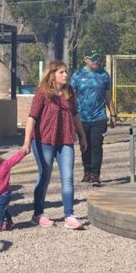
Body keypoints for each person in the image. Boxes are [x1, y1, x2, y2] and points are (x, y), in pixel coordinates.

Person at [22, 61, 87, 230]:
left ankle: (69, 215)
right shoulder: (42, 93)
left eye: (66, 72)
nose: (66, 75)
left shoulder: (69, 92)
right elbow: (32, 118)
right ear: (52, 75)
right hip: (44, 140)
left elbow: (75, 115)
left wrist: (82, 136)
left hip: (65, 140)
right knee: (45, 176)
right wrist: (27, 141)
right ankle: (38, 214)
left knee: (68, 178)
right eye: (61, 72)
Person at [69, 49, 116, 186]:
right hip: (82, 118)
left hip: (99, 117)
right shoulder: (77, 76)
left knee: (96, 145)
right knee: (85, 145)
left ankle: (95, 174)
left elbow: (108, 96)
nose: (96, 61)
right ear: (86, 60)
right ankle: (87, 171)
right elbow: (72, 97)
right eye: (93, 59)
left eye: (98, 58)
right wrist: (70, 115)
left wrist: (112, 114)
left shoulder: (104, 76)